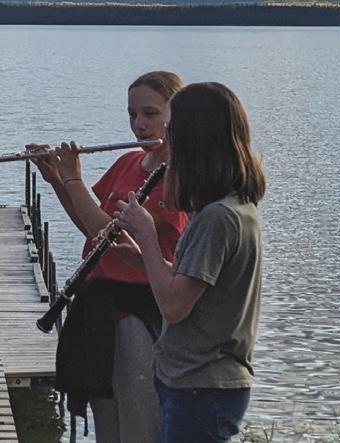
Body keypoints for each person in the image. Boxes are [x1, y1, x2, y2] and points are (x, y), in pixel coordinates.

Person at [26, 71, 188, 443]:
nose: (139, 125)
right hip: (101, 313)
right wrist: (57, 180)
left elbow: (114, 237)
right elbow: (92, 230)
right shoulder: (129, 162)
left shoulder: (178, 180)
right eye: (132, 114)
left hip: (140, 316)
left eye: (150, 114)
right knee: (108, 427)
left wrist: (73, 179)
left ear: (175, 115)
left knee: (138, 425)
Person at [113, 82, 266, 442]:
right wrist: (144, 259)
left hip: (203, 385)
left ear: (194, 140)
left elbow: (174, 306)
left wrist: (147, 234)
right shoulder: (233, 207)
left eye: (173, 130)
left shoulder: (217, 218)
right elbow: (194, 289)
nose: (168, 139)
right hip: (198, 384)